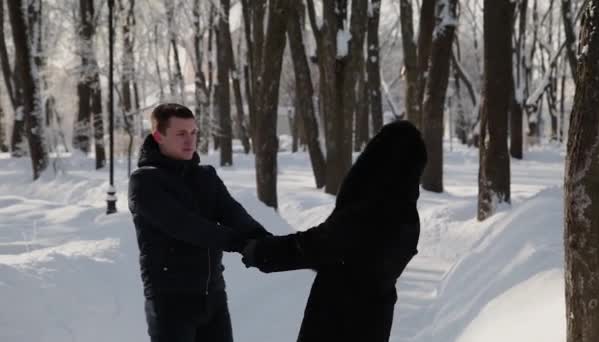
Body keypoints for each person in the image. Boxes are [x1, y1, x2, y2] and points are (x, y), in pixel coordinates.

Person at [241, 120, 427, 342]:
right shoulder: (407, 216)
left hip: (339, 322)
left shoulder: (371, 212)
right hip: (374, 321)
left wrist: (260, 251)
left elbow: (315, 245)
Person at [128, 103, 270, 342]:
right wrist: (241, 244)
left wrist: (268, 242)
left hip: (213, 297)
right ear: (158, 136)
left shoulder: (206, 176)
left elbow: (234, 215)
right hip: (170, 303)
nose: (190, 140)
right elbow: (185, 226)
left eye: (194, 132)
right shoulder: (145, 182)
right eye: (181, 134)